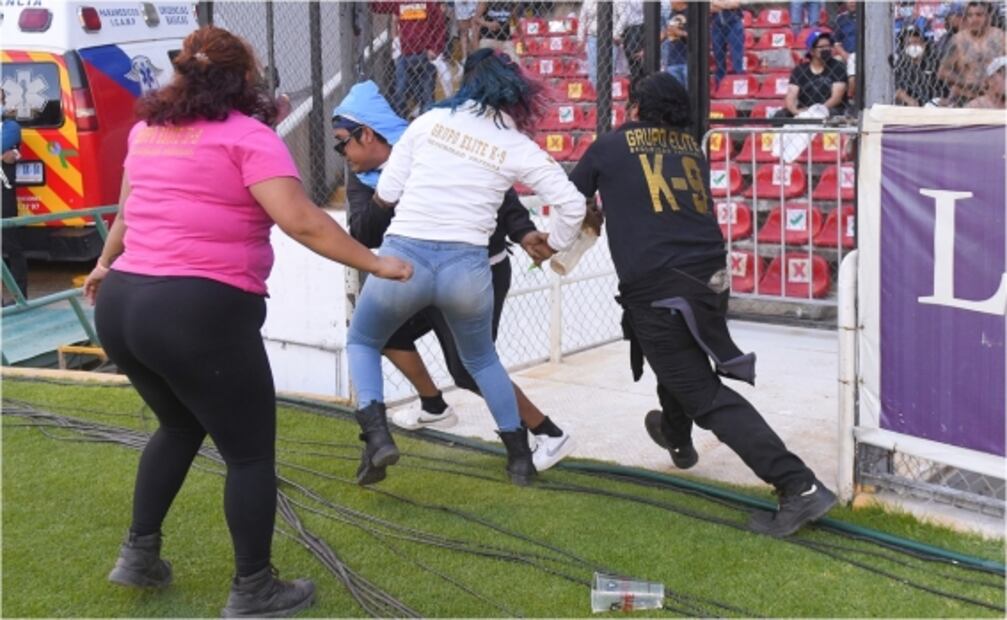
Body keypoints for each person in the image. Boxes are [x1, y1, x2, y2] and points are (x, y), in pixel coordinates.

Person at [81, 26, 411, 617]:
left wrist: (104, 265)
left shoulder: (146, 131)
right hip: (195, 310)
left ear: (182, 75)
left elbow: (129, 214)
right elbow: (302, 221)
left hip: (125, 303)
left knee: (179, 427)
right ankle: (254, 588)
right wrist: (376, 262)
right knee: (250, 454)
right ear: (245, 80)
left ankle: (138, 557)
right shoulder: (248, 137)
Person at [562, 71, 837, 538]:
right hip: (710, 278)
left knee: (703, 394)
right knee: (676, 361)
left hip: (660, 287)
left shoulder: (612, 144)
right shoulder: (691, 147)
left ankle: (798, 485)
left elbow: (570, 196)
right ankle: (676, 435)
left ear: (636, 107)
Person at [346, 49, 587, 488]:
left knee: (363, 340)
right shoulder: (515, 142)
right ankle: (519, 460)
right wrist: (554, 243)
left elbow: (390, 192)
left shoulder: (427, 124)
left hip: (406, 255)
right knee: (482, 360)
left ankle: (377, 436)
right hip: (469, 265)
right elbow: (573, 203)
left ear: (467, 86)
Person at [372, 1, 446, 119]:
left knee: (427, 92)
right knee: (400, 91)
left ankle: (426, 121)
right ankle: (400, 121)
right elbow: (379, 7)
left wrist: (435, 49)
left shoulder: (429, 4)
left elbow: (439, 26)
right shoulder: (401, 3)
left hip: (425, 55)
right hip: (405, 54)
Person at [937, 1, 1006, 105]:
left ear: (988, 17)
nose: (974, 20)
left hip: (998, 99)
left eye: (979, 15)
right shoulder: (958, 40)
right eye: (970, 15)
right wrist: (968, 83)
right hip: (967, 96)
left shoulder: (1001, 37)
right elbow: (943, 72)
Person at [781, 30, 849, 117]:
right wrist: (797, 112)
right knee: (780, 115)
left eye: (828, 46)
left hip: (829, 110)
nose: (826, 49)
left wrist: (816, 112)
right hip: (805, 110)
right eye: (821, 47)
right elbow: (791, 96)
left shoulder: (838, 67)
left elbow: (836, 98)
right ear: (811, 51)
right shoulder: (800, 70)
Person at [2, 88, 28, 301]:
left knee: (10, 243)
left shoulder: (11, 126)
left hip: (3, 191)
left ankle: (20, 295)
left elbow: (6, 146)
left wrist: (10, 153)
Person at [894, 26, 943, 106]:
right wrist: (909, 100)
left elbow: (942, 87)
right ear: (903, 47)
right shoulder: (899, 65)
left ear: (923, 44)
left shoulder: (933, 63)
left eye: (916, 42)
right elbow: (897, 89)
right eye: (909, 44)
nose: (913, 47)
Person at [710, 0, 745, 85]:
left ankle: (738, 82)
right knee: (718, 56)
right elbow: (709, 8)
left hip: (734, 22)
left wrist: (717, 4)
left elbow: (735, 3)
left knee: (736, 55)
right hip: (717, 25)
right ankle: (720, 85)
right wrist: (725, 5)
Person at [615, 0, 646, 85]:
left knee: (634, 60)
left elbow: (624, 16)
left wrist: (616, 33)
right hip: (637, 26)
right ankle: (639, 86)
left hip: (633, 27)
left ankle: (638, 87)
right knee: (636, 62)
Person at [662, 6, 689, 88]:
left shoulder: (692, 12)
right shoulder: (672, 13)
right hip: (672, 60)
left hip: (688, 60)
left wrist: (678, 32)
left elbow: (697, 37)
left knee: (690, 92)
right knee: (675, 91)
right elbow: (665, 32)